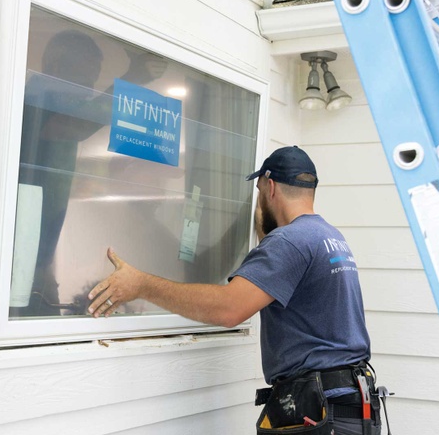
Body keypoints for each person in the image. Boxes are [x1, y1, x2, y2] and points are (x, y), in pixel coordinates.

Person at [87, 146, 383, 434]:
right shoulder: (328, 236)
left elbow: (228, 309)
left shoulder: (289, 243)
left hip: (321, 411)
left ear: (270, 188)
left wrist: (141, 285)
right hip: (349, 404)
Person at [14, 29, 167, 317]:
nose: (89, 86)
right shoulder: (37, 96)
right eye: (84, 75)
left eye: (94, 76)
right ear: (57, 67)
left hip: (39, 262)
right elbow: (73, 125)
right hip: (18, 260)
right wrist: (132, 77)